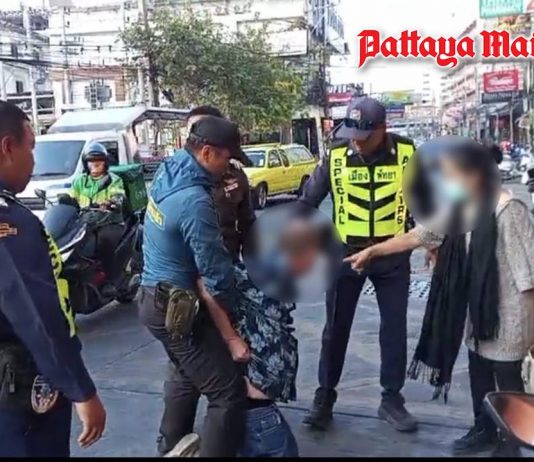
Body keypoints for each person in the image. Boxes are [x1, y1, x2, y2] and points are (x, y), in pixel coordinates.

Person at [345, 138, 534, 457]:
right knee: (478, 377)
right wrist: (373, 252)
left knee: (508, 386)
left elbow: (529, 280)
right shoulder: (462, 206)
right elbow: (420, 235)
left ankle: (509, 445)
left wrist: (532, 336)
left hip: (511, 318)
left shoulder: (509, 211)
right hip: (479, 316)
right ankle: (483, 431)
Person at [299, 96, 418, 432]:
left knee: (393, 329)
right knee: (335, 329)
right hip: (344, 256)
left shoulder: (408, 153)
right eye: (351, 134)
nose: (356, 141)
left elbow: (426, 200)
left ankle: (391, 399)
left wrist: (430, 240)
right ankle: (325, 396)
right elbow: (307, 202)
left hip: (392, 255)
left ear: (383, 129)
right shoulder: (336, 155)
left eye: (364, 136)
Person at [139, 116, 249, 458]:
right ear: (207, 152)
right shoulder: (194, 201)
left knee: (188, 374)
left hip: (153, 297)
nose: (228, 167)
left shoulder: (170, 168)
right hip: (176, 307)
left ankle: (171, 447)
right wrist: (234, 318)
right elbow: (215, 273)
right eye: (226, 158)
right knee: (227, 392)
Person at [0, 101, 106, 457]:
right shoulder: (9, 222)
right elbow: (36, 315)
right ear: (7, 147)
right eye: (30, 148)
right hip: (18, 391)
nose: (33, 160)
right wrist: (80, 389)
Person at [69, 142, 126, 209]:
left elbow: (118, 195)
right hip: (82, 214)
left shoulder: (114, 180)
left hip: (105, 214)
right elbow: (72, 198)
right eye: (91, 162)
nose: (95, 165)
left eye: (99, 161)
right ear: (85, 164)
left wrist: (111, 202)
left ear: (105, 163)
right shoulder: (79, 181)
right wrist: (66, 199)